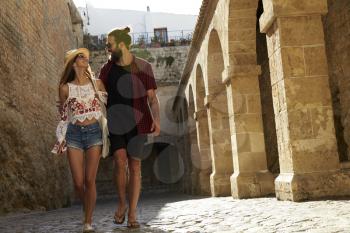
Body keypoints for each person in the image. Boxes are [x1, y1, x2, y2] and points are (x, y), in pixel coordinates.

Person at [98, 27, 160, 228]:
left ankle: (132, 212)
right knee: (119, 160)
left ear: (122, 45)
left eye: (109, 44)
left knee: (135, 166)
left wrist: (156, 120)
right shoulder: (106, 70)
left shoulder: (143, 66)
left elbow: (153, 99)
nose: (107, 48)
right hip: (115, 124)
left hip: (138, 124)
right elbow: (96, 94)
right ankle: (122, 203)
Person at [51, 48, 108, 232]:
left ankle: (88, 221)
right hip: (74, 133)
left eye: (87, 57)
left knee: (90, 180)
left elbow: (107, 107)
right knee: (78, 183)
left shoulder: (98, 84)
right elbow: (64, 117)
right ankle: (88, 206)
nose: (86, 59)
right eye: (81, 57)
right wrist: (61, 139)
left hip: (94, 133)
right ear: (73, 62)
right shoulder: (65, 88)